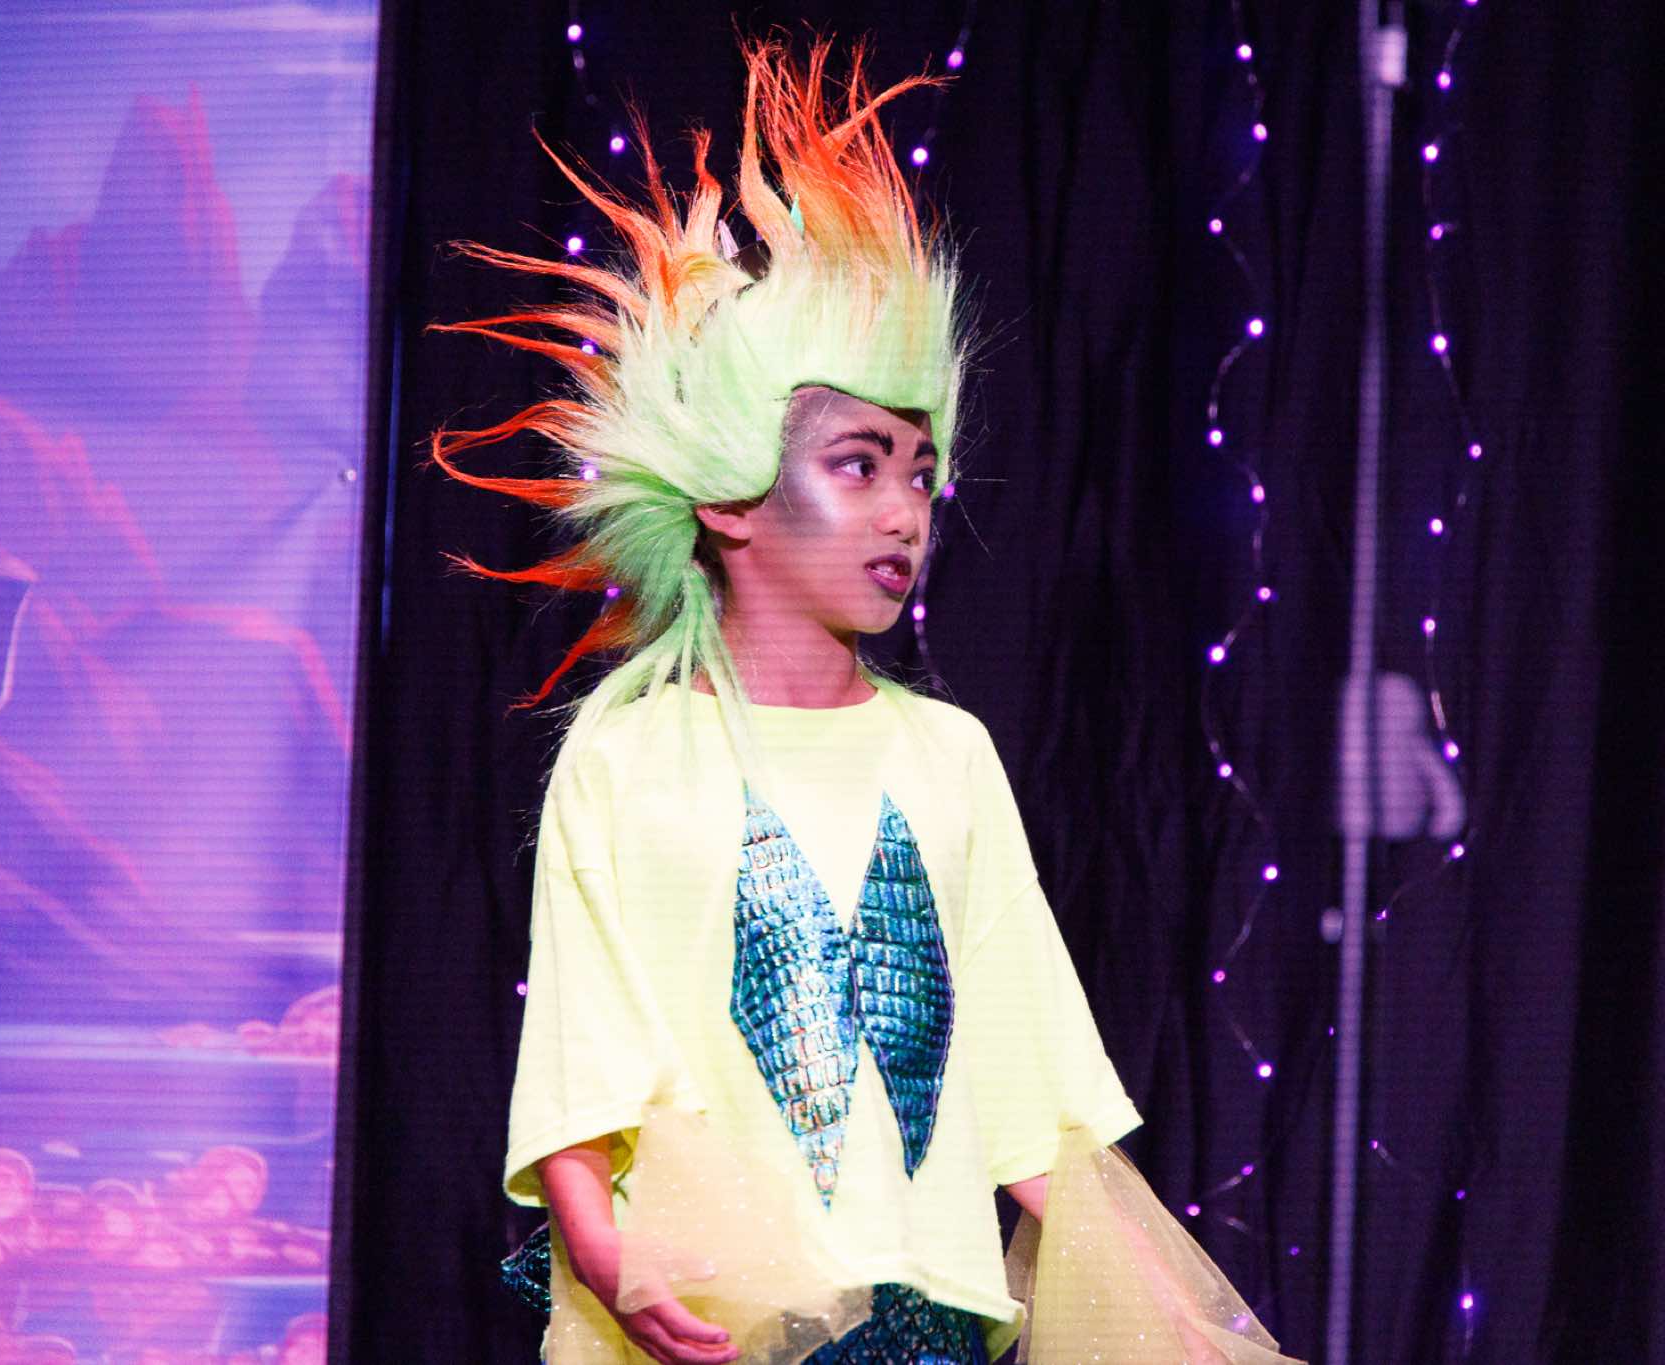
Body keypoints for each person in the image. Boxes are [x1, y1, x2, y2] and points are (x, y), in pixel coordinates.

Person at [430, 34, 1300, 1365]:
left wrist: (1180, 1322)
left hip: (921, 1326)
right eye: (857, 463)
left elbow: (1030, 1087)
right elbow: (579, 1059)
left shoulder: (946, 755)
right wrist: (609, 1256)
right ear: (729, 493)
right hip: (707, 1318)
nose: (905, 512)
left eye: (920, 473)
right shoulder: (628, 755)